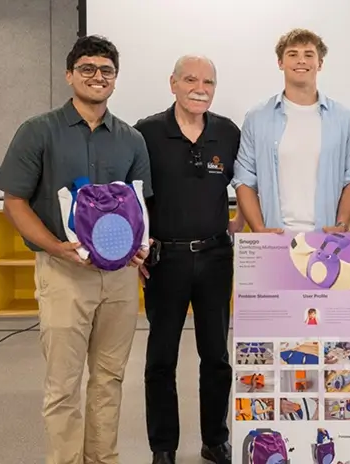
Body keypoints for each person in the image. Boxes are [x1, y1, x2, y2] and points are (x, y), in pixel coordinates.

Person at [0, 35, 152, 464]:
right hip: (63, 274)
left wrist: (141, 246)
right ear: (69, 75)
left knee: (109, 379)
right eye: (87, 68)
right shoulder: (38, 131)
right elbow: (14, 202)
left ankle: (103, 459)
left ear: (115, 80)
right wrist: (57, 249)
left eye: (106, 70)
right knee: (63, 385)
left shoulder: (132, 140)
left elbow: (138, 207)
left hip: (118, 280)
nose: (97, 77)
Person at [134, 55, 243, 464]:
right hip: (165, 260)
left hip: (216, 257)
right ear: (173, 83)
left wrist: (240, 222)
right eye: (191, 80)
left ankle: (215, 439)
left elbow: (250, 181)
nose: (200, 88)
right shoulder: (146, 132)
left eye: (209, 82)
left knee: (215, 356)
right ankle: (163, 447)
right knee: (160, 358)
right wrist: (136, 247)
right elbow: (131, 196)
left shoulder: (228, 133)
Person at [231, 28, 350, 233]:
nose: (301, 61)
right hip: (274, 239)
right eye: (292, 54)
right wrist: (258, 228)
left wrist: (342, 224)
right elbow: (244, 178)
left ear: (319, 63)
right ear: (280, 63)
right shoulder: (257, 118)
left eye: (308, 55)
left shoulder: (344, 119)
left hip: (325, 238)